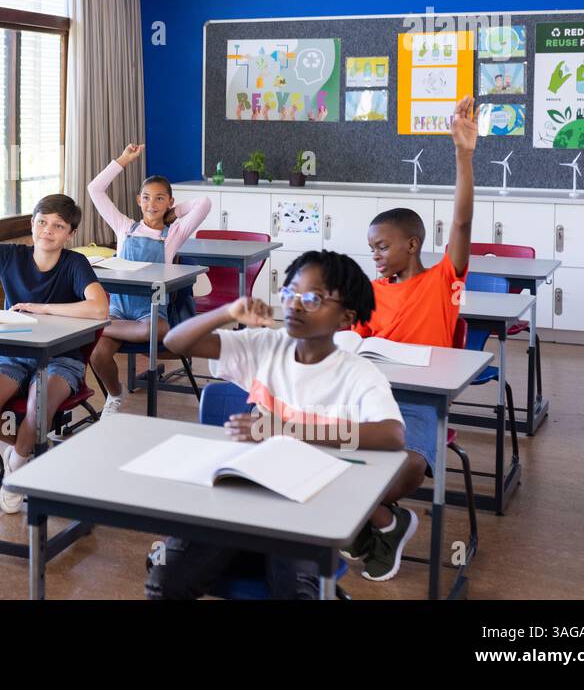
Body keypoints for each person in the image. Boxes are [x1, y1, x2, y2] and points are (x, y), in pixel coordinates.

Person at [152, 251, 404, 599]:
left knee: (295, 592)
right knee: (165, 582)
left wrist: (286, 430)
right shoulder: (265, 345)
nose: (296, 306)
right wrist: (227, 312)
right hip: (242, 496)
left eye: (313, 299)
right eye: (289, 294)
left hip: (307, 507)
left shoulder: (357, 373)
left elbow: (392, 434)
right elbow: (175, 342)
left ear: (346, 317)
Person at [343, 95, 477, 582]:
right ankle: (385, 520)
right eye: (371, 248)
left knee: (403, 468)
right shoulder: (371, 293)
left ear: (412, 244)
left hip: (421, 404)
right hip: (372, 398)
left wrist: (463, 155)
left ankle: (365, 516)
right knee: (315, 450)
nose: (375, 256)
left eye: (382, 247)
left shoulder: (443, 282)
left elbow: (461, 223)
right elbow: (353, 345)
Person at [0, 189, 107, 514]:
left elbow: (99, 308)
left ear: (70, 233)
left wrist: (41, 308)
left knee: (38, 405)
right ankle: (27, 452)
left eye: (58, 226)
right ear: (31, 224)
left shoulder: (75, 263)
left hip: (62, 356)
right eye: (42, 222)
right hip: (13, 352)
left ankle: (16, 467)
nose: (48, 230)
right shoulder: (11, 256)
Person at [86, 143, 210, 416]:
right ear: (138, 200)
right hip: (119, 310)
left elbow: (204, 203)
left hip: (150, 313)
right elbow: (94, 189)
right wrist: (122, 160)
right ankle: (115, 395)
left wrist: (173, 214)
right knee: (97, 355)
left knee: (154, 332)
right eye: (146, 198)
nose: (151, 204)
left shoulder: (174, 233)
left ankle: (94, 328)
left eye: (159, 198)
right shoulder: (123, 226)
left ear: (169, 202)